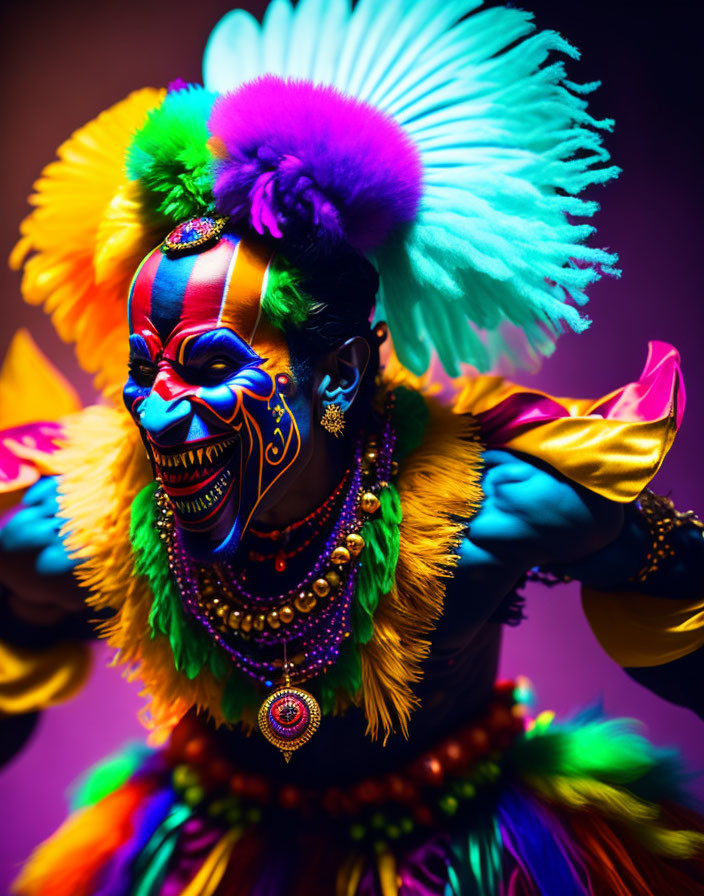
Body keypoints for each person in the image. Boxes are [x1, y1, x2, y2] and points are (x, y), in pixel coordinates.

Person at [1, 1, 703, 893]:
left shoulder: (499, 509)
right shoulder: (64, 528)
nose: (160, 412)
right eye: (145, 370)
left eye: (211, 368)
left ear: (336, 377)